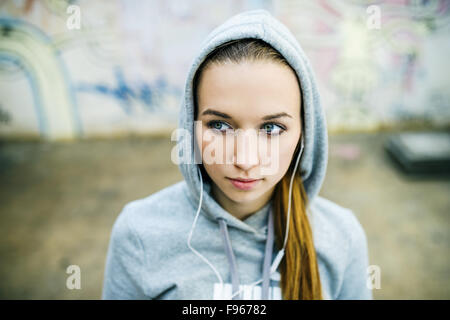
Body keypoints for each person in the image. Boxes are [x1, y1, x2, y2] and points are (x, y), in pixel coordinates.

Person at [102, 9, 372, 300]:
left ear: (305, 133)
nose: (245, 160)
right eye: (219, 125)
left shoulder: (341, 238)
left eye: (271, 128)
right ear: (190, 124)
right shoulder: (140, 234)